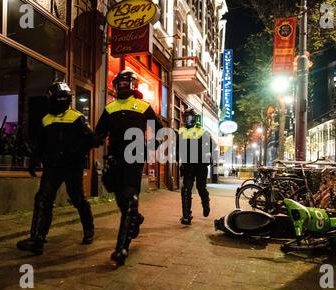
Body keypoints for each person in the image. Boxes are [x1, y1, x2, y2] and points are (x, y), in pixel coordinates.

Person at [17, 82, 99, 255]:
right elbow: (40, 143)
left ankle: (89, 229)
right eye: (58, 98)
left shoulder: (77, 117)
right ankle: (37, 239)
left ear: (68, 99)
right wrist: (34, 160)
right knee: (43, 199)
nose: (61, 101)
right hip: (52, 167)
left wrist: (76, 153)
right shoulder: (46, 119)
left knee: (77, 198)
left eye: (64, 98)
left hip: (72, 167)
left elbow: (92, 139)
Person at [95, 70, 163, 266]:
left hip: (134, 160)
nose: (123, 86)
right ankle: (136, 218)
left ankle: (121, 249)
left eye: (126, 82)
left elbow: (159, 130)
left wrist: (150, 147)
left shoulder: (143, 106)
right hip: (115, 162)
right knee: (122, 201)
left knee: (130, 200)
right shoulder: (110, 108)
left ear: (132, 85)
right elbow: (100, 133)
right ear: (116, 86)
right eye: (120, 83)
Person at [177, 108, 216, 225]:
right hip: (188, 166)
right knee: (185, 189)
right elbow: (178, 148)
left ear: (194, 119)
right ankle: (186, 216)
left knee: (201, 188)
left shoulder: (201, 131)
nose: (187, 120)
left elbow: (212, 146)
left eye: (189, 117)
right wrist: (179, 160)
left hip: (200, 166)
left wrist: (203, 155)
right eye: (185, 118)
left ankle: (206, 204)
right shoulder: (181, 132)